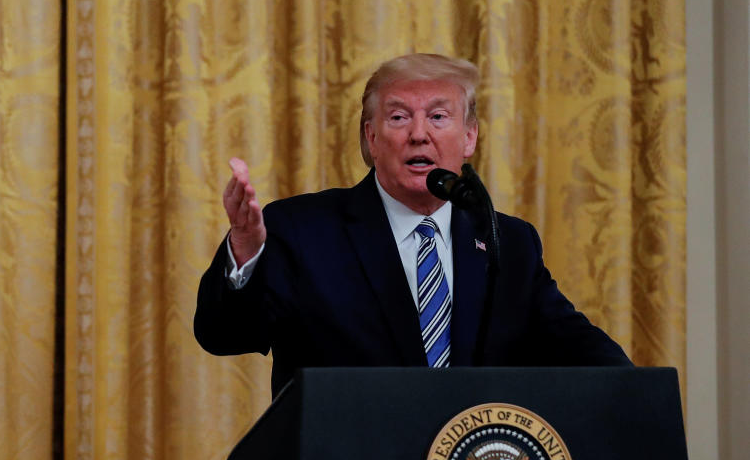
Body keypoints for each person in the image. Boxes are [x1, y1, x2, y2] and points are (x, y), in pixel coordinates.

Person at [194, 53, 630, 396]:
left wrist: (638, 390)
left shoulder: (507, 241)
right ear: (371, 138)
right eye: (399, 117)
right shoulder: (302, 229)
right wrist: (246, 250)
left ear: (469, 138)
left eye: (439, 117)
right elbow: (223, 334)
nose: (419, 134)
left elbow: (573, 343)